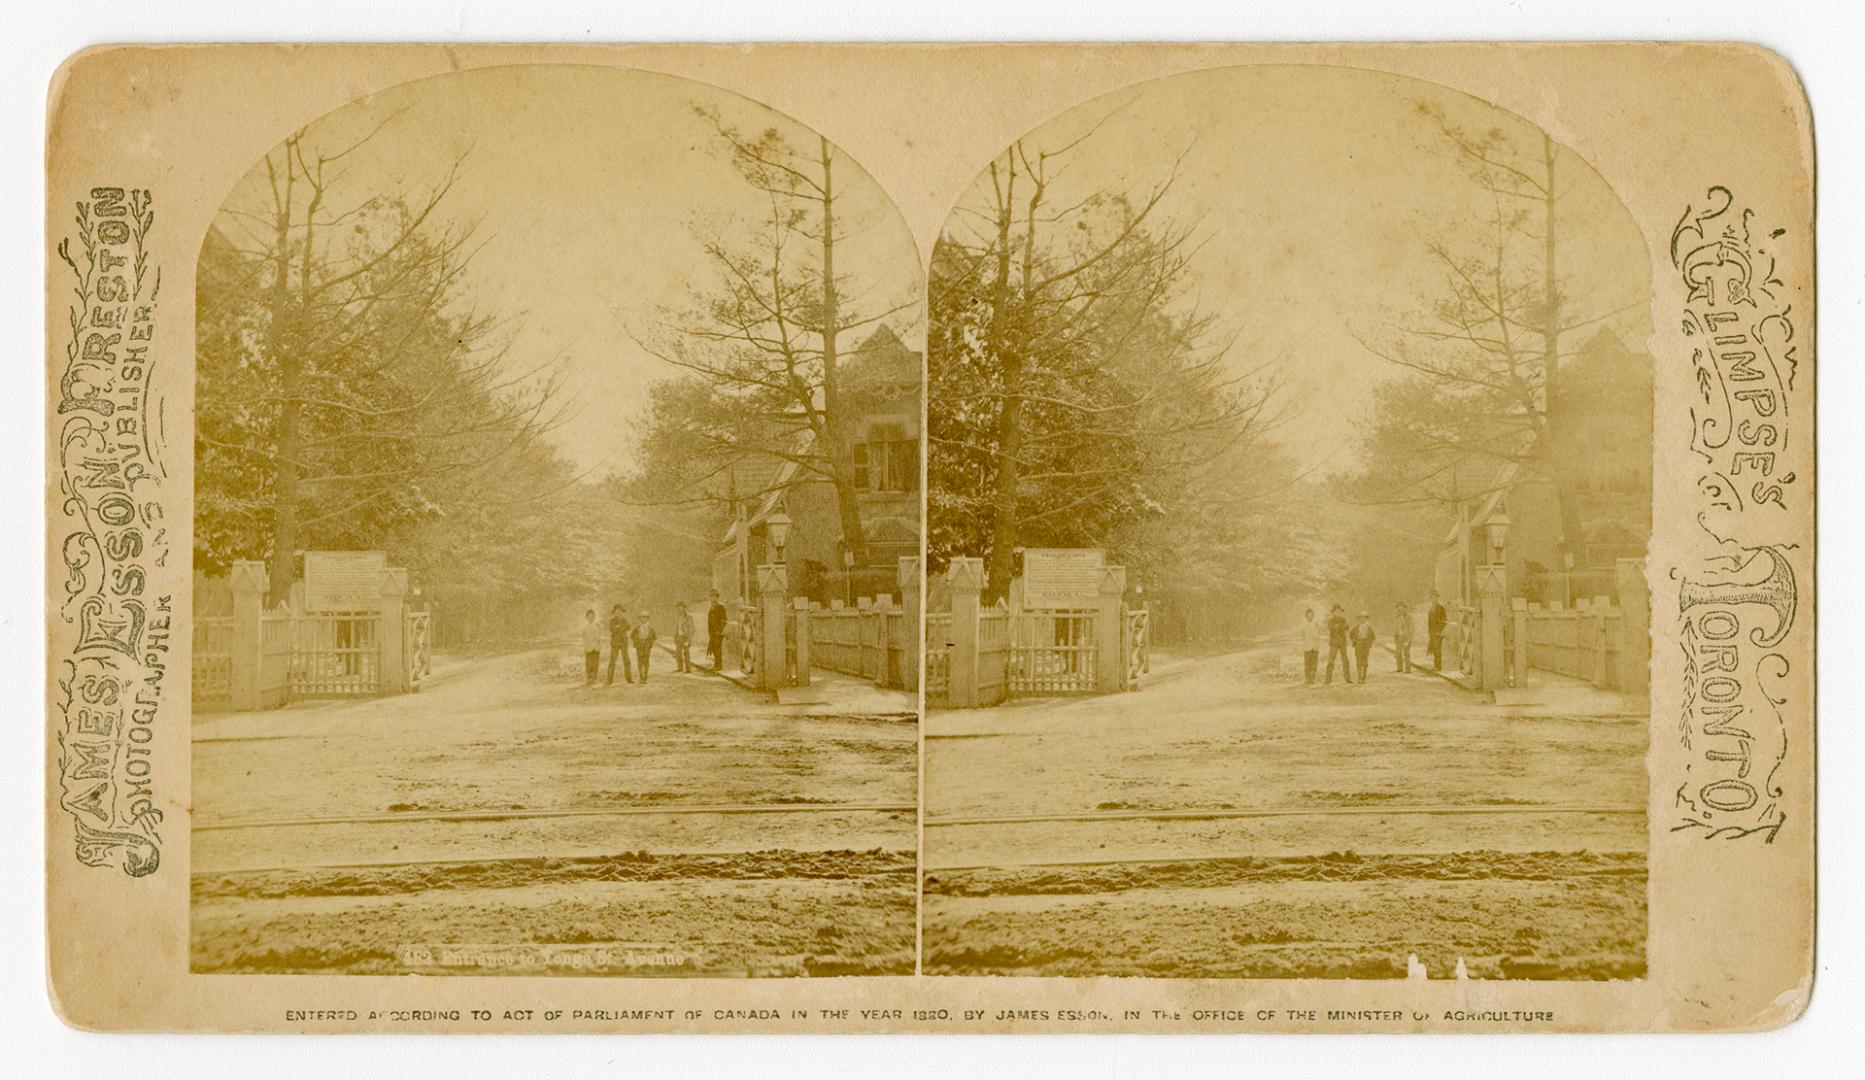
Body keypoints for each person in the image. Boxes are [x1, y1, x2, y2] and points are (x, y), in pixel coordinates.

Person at [1323, 604, 1352, 685]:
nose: (1337, 612)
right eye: (1336, 611)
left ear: (1341, 612)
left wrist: (1338, 626)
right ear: (1333, 612)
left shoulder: (1344, 619)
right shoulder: (1331, 620)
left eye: (1339, 611)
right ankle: (1327, 680)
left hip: (1342, 642)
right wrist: (1340, 627)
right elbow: (1331, 628)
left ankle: (1348, 679)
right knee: (1331, 660)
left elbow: (1347, 627)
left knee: (1345, 660)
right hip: (1334, 642)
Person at [606, 604, 633, 685]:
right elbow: (612, 629)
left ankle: (629, 679)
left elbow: (628, 627)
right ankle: (609, 680)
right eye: (617, 611)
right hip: (615, 643)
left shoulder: (625, 620)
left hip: (624, 643)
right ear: (614, 612)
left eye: (620, 611)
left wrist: (618, 627)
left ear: (622, 612)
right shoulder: (612, 621)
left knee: (627, 661)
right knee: (612, 661)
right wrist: (619, 627)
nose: (619, 613)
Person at [1350, 610, 1377, 684]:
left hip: (1365, 645)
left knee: (1365, 661)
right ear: (1358, 619)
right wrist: (1354, 640)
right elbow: (1351, 634)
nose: (1362, 619)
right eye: (1360, 618)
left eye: (1364, 618)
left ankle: (1364, 676)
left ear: (1366, 619)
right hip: (1358, 644)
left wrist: (1369, 643)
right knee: (1358, 661)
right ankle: (1359, 677)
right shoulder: (1356, 627)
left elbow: (1373, 637)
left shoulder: (1369, 628)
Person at [579, 608, 604, 687]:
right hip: (588, 647)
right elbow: (584, 637)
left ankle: (594, 678)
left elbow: (599, 636)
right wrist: (588, 644)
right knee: (589, 663)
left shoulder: (597, 626)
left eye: (592, 616)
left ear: (594, 617)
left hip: (596, 647)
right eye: (589, 617)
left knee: (595, 663)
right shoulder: (584, 627)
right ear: (586, 617)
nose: (591, 618)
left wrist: (596, 644)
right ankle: (589, 679)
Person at [631, 611, 657, 683]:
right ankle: (640, 676)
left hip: (647, 645)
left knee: (646, 661)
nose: (643, 619)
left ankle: (645, 676)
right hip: (639, 645)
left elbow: (655, 637)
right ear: (639, 619)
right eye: (642, 618)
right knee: (640, 661)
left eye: (645, 618)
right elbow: (632, 636)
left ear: (648, 619)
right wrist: (636, 641)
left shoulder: (651, 628)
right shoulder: (636, 628)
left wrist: (649, 642)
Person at [707, 589, 728, 670]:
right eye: (711, 596)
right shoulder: (711, 607)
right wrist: (709, 631)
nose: (713, 598)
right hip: (712, 632)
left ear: (717, 597)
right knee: (714, 648)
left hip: (718, 632)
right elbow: (709, 621)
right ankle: (716, 665)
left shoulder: (721, 607)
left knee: (717, 648)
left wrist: (720, 631)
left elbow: (724, 620)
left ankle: (719, 666)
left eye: (714, 596)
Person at [1299, 607, 1320, 685]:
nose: (1310, 617)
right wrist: (1305, 643)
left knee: (1314, 663)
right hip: (1307, 646)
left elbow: (1318, 634)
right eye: (1308, 615)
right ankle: (1307, 678)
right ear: (1306, 616)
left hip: (1315, 646)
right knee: (1307, 663)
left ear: (1313, 616)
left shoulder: (1316, 624)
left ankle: (1313, 678)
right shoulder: (1303, 625)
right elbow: (1302, 636)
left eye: (1311, 615)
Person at [1427, 597, 1449, 671]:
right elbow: (1429, 622)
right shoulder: (1431, 609)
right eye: (1431, 598)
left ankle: (1438, 667)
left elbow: (1444, 619)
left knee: (1437, 649)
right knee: (1433, 649)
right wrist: (1430, 632)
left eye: (1434, 598)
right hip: (1432, 632)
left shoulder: (1441, 608)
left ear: (1437, 598)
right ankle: (1436, 665)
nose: (1433, 599)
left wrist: (1440, 629)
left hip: (1438, 632)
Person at [673, 601, 694, 673]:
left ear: (684, 608)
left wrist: (689, 640)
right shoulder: (677, 617)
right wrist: (675, 637)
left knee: (686, 652)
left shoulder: (689, 617)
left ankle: (688, 669)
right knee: (678, 653)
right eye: (678, 607)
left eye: (680, 607)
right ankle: (680, 668)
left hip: (685, 637)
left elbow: (692, 629)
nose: (679, 609)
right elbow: (676, 627)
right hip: (679, 636)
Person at [1393, 601, 1414, 673]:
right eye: (1399, 609)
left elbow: (1411, 629)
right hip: (1398, 637)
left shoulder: (1409, 617)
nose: (1400, 610)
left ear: (1405, 608)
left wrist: (1409, 640)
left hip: (1406, 637)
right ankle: (1400, 668)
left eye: (1402, 608)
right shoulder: (1397, 618)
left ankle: (1408, 669)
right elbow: (1395, 628)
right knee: (1398, 653)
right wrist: (1394, 636)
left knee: (1406, 653)